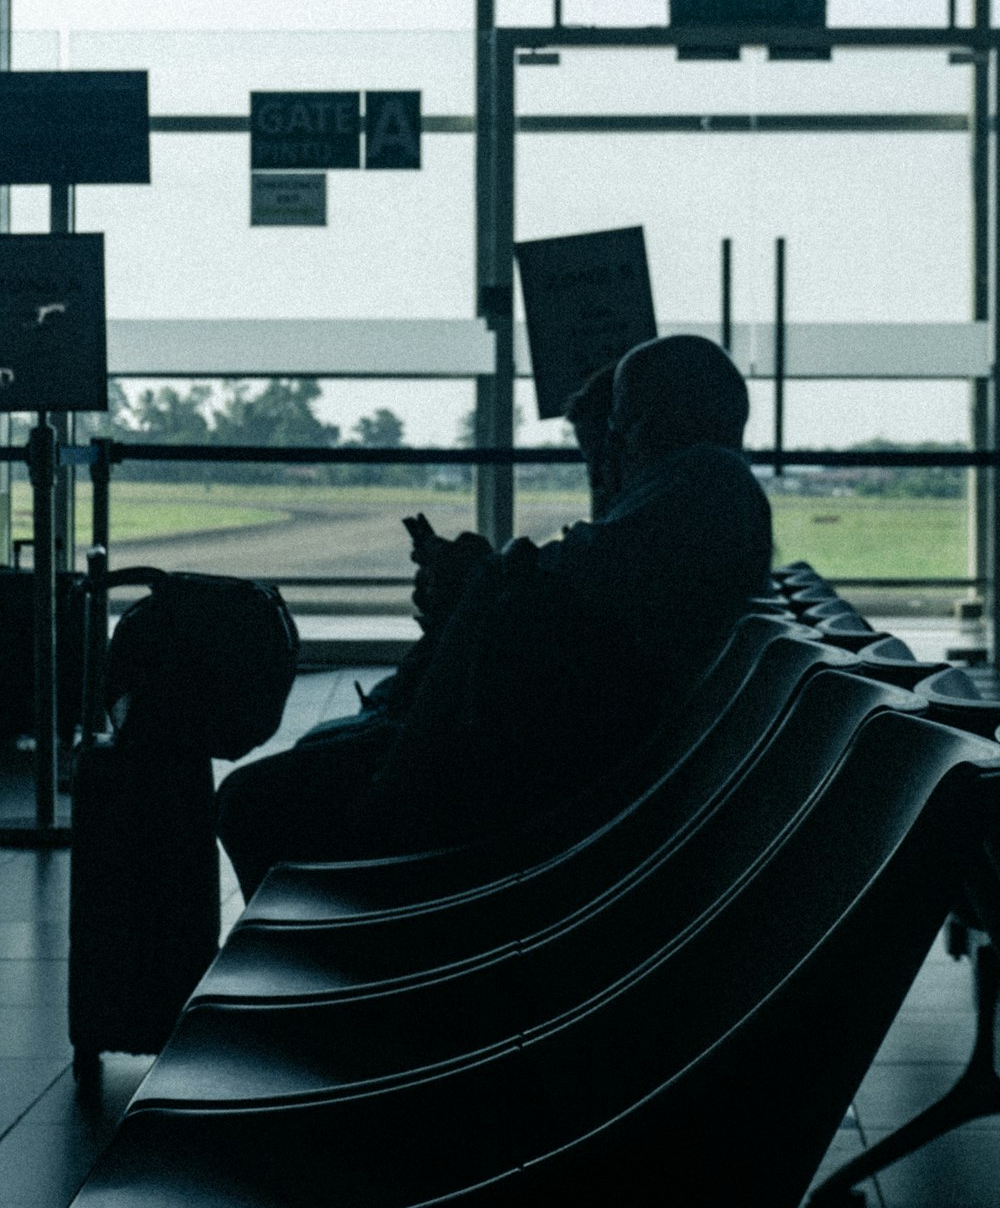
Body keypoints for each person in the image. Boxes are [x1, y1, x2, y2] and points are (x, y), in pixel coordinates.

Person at [216, 335, 771, 894]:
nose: (613, 449)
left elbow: (562, 579)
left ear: (647, 424)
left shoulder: (702, 483)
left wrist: (480, 579)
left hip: (552, 795)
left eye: (620, 426)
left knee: (250, 800)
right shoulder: (714, 494)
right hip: (593, 778)